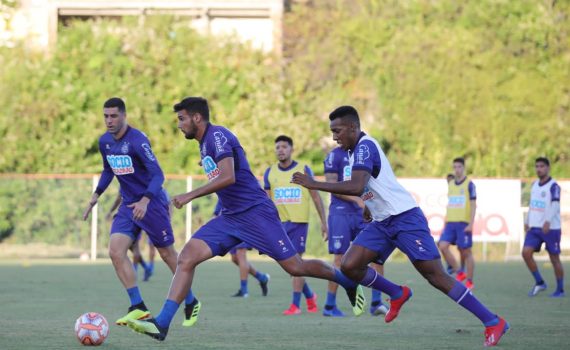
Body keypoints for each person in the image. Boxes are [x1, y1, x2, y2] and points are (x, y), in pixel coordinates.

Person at [126, 97, 364, 341]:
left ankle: (344, 280)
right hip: (230, 217)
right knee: (186, 257)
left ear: (197, 118)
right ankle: (162, 324)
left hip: (255, 213)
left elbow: (228, 176)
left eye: (181, 118)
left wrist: (190, 194)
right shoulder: (205, 143)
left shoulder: (217, 136)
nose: (179, 125)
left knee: (295, 267)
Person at [291, 105, 508, 347]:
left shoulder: (365, 147)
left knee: (435, 275)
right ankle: (397, 293)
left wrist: (314, 183)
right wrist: (367, 207)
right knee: (350, 265)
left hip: (405, 219)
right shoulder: (354, 151)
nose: (334, 136)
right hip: (383, 222)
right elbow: (369, 185)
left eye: (337, 130)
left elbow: (355, 186)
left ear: (353, 127)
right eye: (332, 131)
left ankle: (492, 321)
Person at [82, 97, 201, 328]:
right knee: (116, 251)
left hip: (152, 204)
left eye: (114, 115)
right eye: (106, 116)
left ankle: (191, 300)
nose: (109, 120)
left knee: (167, 255)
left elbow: (158, 175)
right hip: (128, 206)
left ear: (124, 116)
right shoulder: (105, 142)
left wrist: (145, 201)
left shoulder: (137, 141)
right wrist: (96, 195)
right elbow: (108, 170)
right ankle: (138, 307)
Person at [263, 135, 327, 315]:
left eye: (284, 147)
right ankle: (310, 296)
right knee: (291, 268)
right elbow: (267, 203)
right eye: (277, 147)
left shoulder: (302, 169)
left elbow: (315, 196)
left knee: (297, 266)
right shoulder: (270, 172)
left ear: (291, 149)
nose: (280, 150)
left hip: (299, 224)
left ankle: (295, 305)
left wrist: (324, 222)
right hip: (279, 226)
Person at [323, 146, 388, 317]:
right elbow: (331, 186)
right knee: (339, 259)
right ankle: (329, 305)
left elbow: (369, 186)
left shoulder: (363, 154)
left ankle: (376, 302)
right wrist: (357, 200)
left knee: (376, 256)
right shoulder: (334, 156)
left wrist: (368, 202)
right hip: (340, 214)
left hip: (363, 215)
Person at [522, 157, 565, 298]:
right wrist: (527, 220)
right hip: (534, 228)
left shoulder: (553, 186)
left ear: (548, 168)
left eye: (541, 166)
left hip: (551, 228)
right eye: (537, 166)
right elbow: (532, 204)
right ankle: (539, 282)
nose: (539, 169)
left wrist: (547, 221)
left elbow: (555, 204)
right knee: (526, 253)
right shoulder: (534, 185)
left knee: (554, 258)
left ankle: (560, 289)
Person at [212, 201, 270, 297]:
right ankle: (262, 278)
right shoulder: (224, 192)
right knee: (235, 258)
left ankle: (244, 291)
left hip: (245, 226)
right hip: (231, 228)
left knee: (241, 255)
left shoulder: (244, 191)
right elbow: (217, 213)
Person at [438, 158, 476, 289]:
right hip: (450, 223)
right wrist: (446, 221)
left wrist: (471, 223)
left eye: (459, 167)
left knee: (466, 252)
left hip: (463, 223)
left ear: (463, 168)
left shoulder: (470, 184)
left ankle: (470, 281)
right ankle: (459, 271)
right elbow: (450, 205)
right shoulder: (451, 184)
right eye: (455, 167)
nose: (457, 169)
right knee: (442, 246)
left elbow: (473, 205)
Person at [107, 193, 156, 281]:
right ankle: (146, 268)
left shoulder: (128, 181)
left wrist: (110, 211)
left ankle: (134, 272)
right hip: (138, 214)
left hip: (134, 216)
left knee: (134, 247)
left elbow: (118, 198)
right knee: (131, 247)